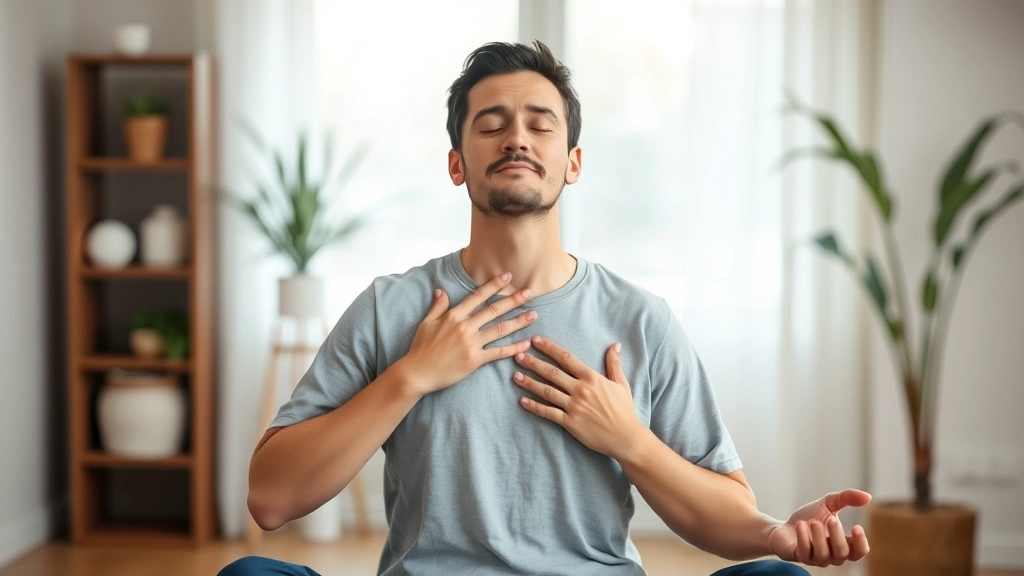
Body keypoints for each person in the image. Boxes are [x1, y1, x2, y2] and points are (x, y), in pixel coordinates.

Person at [220, 41, 871, 576]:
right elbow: (271, 499)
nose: (516, 138)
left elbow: (730, 512)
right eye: (491, 123)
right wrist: (412, 376)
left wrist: (633, 444)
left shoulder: (640, 320)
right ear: (457, 163)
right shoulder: (394, 309)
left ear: (574, 162)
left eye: (540, 122)